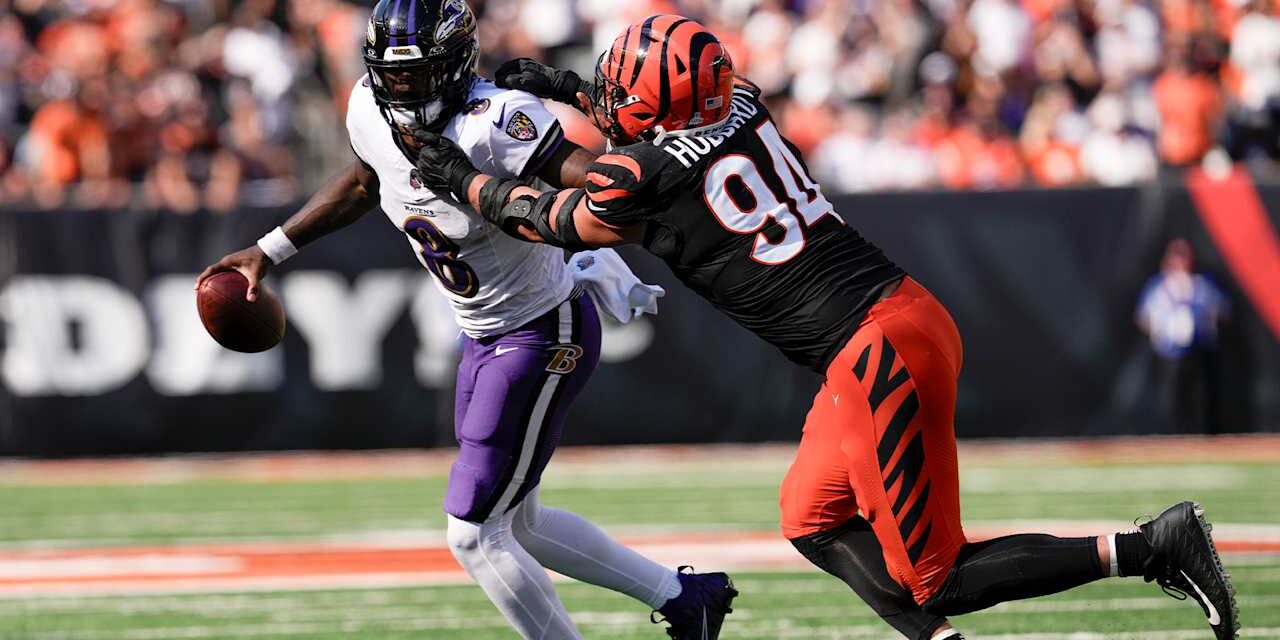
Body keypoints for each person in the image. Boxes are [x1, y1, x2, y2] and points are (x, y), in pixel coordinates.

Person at [408, 14, 1240, 640]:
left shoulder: (643, 171)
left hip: (877, 347)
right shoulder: (740, 104)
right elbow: (661, 118)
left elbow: (553, 219)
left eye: (620, 92)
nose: (610, 103)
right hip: (887, 324)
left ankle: (1153, 546)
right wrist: (562, 88)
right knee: (812, 517)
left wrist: (461, 179)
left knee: (934, 577)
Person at [195, 2, 736, 639]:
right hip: (484, 332)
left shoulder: (496, 121)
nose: (406, 91)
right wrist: (269, 249)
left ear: (456, 65)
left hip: (541, 330)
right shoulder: (370, 108)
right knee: (520, 523)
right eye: (394, 78)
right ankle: (683, 597)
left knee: (475, 535)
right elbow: (371, 182)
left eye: (421, 75)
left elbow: (607, 189)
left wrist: (519, 195)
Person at [1136, 238, 1230, 433]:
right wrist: (1161, 330)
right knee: (1171, 398)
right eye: (1177, 256)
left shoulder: (1202, 284)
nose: (1181, 261)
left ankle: (1203, 435)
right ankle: (1172, 436)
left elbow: (1223, 310)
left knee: (1202, 396)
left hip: (1199, 349)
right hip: (1170, 352)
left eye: (1184, 256)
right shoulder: (1159, 287)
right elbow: (1143, 316)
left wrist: (1207, 321)